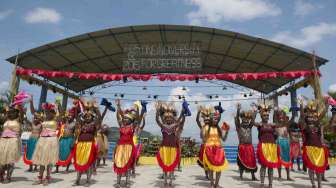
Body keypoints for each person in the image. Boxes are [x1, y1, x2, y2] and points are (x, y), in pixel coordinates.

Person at [113, 99, 144, 187]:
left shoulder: (132, 127)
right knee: (119, 164)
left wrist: (137, 109)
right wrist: (118, 106)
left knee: (128, 165)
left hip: (129, 148)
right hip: (120, 148)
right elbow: (118, 117)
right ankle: (118, 183)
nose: (125, 119)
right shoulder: (121, 125)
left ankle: (127, 182)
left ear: (131, 120)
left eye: (127, 118)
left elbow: (137, 119)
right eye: (124, 118)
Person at [197, 105, 229, 188]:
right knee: (211, 168)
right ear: (211, 119)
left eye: (217, 119)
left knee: (219, 168)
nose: (215, 120)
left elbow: (224, 139)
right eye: (214, 118)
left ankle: (216, 184)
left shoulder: (219, 129)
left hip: (219, 150)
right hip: (209, 149)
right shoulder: (207, 128)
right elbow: (203, 137)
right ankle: (211, 183)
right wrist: (202, 130)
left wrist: (227, 131)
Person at [155, 101, 186, 187]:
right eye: (166, 118)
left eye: (170, 118)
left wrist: (183, 112)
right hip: (164, 149)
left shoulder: (175, 126)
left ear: (173, 118)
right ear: (164, 119)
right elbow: (157, 120)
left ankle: (171, 182)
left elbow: (180, 119)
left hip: (173, 149)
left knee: (172, 166)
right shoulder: (163, 126)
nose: (168, 119)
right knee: (165, 167)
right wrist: (157, 112)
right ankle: (165, 182)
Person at [299, 99, 329, 188]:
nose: (311, 117)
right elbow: (302, 115)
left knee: (319, 169)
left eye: (313, 116)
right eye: (309, 116)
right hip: (309, 149)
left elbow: (322, 115)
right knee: (311, 168)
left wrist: (327, 105)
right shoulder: (305, 126)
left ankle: (320, 184)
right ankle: (313, 184)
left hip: (319, 149)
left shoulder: (318, 125)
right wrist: (301, 105)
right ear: (306, 118)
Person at [73, 99, 102, 186]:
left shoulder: (94, 124)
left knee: (88, 163)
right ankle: (77, 179)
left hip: (89, 145)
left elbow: (99, 118)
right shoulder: (82, 124)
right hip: (80, 145)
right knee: (79, 162)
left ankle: (88, 181)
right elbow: (77, 118)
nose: (87, 117)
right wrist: (78, 108)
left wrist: (96, 109)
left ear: (92, 117)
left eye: (89, 116)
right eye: (86, 116)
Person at [31, 102, 60, 185]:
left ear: (53, 112)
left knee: (48, 160)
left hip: (51, 140)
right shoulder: (43, 118)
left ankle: (47, 177)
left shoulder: (56, 119)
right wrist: (31, 101)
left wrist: (59, 105)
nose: (47, 113)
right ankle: (40, 177)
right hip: (42, 140)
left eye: (49, 111)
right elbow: (33, 112)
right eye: (46, 111)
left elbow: (61, 113)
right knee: (42, 160)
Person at [254, 104, 280, 188]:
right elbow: (252, 122)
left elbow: (278, 124)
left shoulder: (272, 125)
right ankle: (262, 183)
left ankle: (270, 184)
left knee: (271, 166)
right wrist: (255, 112)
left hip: (272, 146)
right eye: (264, 115)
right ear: (261, 116)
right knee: (263, 165)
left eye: (267, 115)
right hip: (263, 146)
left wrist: (275, 111)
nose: (266, 116)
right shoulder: (260, 125)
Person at [0, 105, 23, 183]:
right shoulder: (6, 120)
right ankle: (1, 175)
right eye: (9, 112)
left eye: (12, 112)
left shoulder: (18, 119)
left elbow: (21, 113)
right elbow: (2, 118)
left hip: (13, 141)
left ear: (16, 113)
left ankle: (8, 177)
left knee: (10, 161)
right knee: (2, 161)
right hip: (3, 141)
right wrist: (7, 111)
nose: (10, 114)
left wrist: (18, 106)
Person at [235, 103, 258, 181]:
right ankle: (241, 176)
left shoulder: (249, 127)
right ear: (242, 119)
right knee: (241, 161)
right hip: (242, 146)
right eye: (244, 118)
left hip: (250, 146)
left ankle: (253, 176)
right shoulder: (239, 127)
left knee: (252, 161)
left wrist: (255, 111)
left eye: (248, 119)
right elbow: (237, 119)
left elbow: (253, 119)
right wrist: (238, 110)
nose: (246, 120)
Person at [274, 108, 293, 181]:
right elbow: (275, 117)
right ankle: (279, 176)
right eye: (280, 116)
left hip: (286, 144)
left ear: (284, 117)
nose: (281, 118)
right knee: (279, 160)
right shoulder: (276, 125)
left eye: (282, 116)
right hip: (279, 143)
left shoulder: (287, 124)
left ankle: (288, 176)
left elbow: (292, 117)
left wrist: (287, 111)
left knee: (287, 160)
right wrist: (276, 110)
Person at [55, 108, 77, 173]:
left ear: (73, 116)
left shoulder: (75, 124)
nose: (69, 116)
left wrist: (73, 142)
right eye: (69, 115)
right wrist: (59, 105)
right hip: (62, 139)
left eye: (71, 115)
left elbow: (76, 134)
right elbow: (61, 113)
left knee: (68, 155)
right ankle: (57, 169)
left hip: (70, 140)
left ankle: (67, 169)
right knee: (59, 153)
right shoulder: (64, 122)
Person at [23, 99, 42, 172]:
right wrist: (24, 114)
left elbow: (34, 112)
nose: (35, 118)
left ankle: (35, 167)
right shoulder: (32, 123)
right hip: (31, 139)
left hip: (37, 140)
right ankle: (30, 167)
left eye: (37, 117)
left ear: (39, 118)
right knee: (30, 152)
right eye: (35, 117)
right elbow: (26, 120)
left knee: (36, 153)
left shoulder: (41, 124)